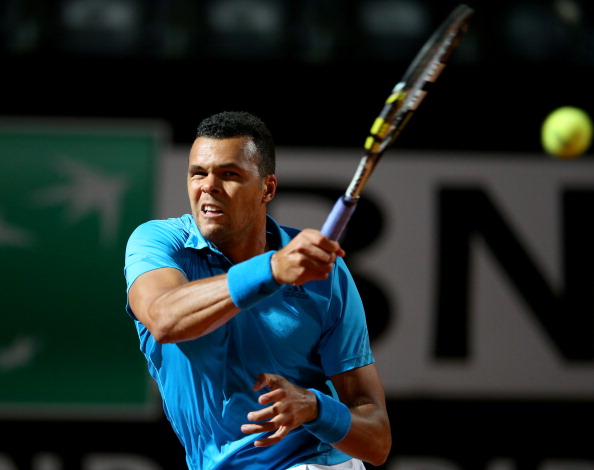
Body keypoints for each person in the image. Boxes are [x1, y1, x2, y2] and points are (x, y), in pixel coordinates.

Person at [124, 111, 391, 470]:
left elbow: (377, 441)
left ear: (267, 188)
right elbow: (163, 319)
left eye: (229, 174)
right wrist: (272, 270)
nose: (209, 186)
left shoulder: (323, 273)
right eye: (198, 173)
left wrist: (314, 407)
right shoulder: (159, 243)